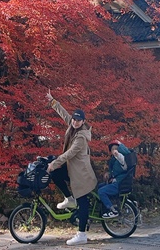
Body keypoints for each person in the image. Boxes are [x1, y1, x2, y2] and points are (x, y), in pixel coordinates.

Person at [45, 89, 98, 246]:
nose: (74, 122)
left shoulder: (81, 137)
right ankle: (69, 198)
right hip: (72, 170)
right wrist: (52, 101)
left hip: (82, 175)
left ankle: (81, 234)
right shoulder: (73, 126)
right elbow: (64, 114)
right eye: (74, 119)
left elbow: (69, 154)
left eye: (78, 120)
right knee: (55, 174)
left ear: (83, 122)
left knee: (83, 202)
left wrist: (53, 163)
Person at [97, 139, 130, 218]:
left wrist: (117, 153)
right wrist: (109, 173)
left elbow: (122, 160)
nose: (114, 150)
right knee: (99, 186)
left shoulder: (122, 158)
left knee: (101, 191)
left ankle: (112, 210)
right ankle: (105, 208)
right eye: (112, 149)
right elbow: (115, 171)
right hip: (118, 181)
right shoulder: (114, 160)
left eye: (116, 148)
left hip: (119, 184)